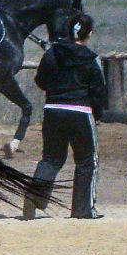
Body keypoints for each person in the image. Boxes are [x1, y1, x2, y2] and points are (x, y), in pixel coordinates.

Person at [23, 13, 105, 220]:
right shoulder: (91, 58)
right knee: (87, 161)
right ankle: (83, 210)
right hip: (80, 112)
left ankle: (34, 197)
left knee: (51, 159)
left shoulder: (51, 54)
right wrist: (98, 113)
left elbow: (40, 80)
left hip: (53, 111)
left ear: (68, 31)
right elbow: (98, 91)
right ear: (90, 33)